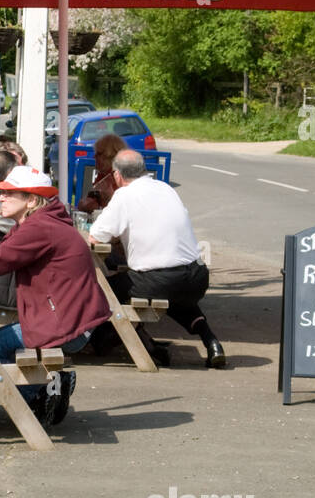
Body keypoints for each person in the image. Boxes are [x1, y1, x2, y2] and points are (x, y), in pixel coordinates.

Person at [0, 165, 111, 428]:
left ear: (32, 200)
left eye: (10, 194)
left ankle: (40, 396)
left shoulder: (38, 228)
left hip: (68, 327)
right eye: (2, 192)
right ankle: (54, 387)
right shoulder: (42, 222)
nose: (0, 198)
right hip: (75, 321)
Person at [89, 150, 226, 368]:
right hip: (197, 277)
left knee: (103, 289)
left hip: (161, 280)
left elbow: (94, 238)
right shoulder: (166, 189)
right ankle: (211, 341)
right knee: (174, 295)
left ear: (117, 175)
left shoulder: (125, 195)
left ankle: (130, 344)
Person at [80, 133, 125, 214]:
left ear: (111, 156)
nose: (94, 157)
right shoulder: (104, 175)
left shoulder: (122, 178)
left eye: (99, 154)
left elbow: (122, 210)